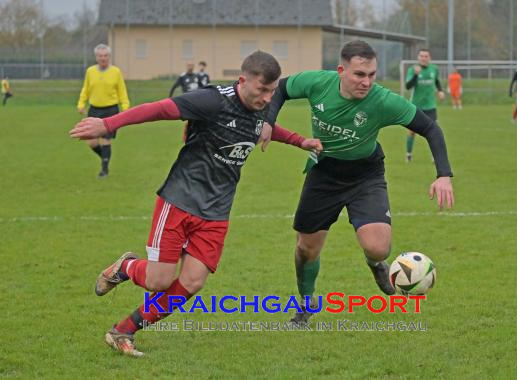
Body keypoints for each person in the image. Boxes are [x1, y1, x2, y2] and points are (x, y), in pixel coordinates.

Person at [69, 51, 322, 357]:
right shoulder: (211, 101)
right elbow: (159, 109)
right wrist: (108, 124)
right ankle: (125, 266)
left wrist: (300, 141)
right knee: (158, 281)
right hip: (180, 200)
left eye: (272, 91)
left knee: (192, 282)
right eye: (262, 90)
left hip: (216, 212)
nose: (268, 98)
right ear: (243, 81)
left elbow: (262, 129)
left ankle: (123, 330)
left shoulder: (259, 108)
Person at [265, 40, 454, 324]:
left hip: (366, 175)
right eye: (359, 75)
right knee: (306, 248)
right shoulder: (317, 83)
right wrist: (268, 121)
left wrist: (443, 175)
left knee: (378, 247)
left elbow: (429, 127)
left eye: (371, 75)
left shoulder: (383, 100)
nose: (366, 82)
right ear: (341, 70)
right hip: (324, 172)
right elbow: (280, 88)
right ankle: (306, 304)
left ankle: (376, 264)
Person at [77, 44, 130, 178]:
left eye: (105, 56)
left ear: (109, 57)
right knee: (92, 142)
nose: (103, 58)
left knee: (106, 140)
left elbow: (122, 91)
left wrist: (125, 108)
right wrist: (81, 103)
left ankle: (104, 170)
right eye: (100, 56)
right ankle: (105, 158)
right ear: (96, 57)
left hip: (111, 110)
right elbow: (86, 89)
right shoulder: (90, 71)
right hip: (94, 109)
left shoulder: (116, 72)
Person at [404, 49, 445, 162]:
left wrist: (440, 91)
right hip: (416, 106)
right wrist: (416, 76)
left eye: (426, 56)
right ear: (418, 58)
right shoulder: (413, 70)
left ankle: (435, 156)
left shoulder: (434, 69)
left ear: (429, 58)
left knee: (434, 132)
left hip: (430, 106)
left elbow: (436, 81)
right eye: (421, 56)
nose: (423, 58)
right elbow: (408, 86)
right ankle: (409, 154)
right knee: (412, 132)